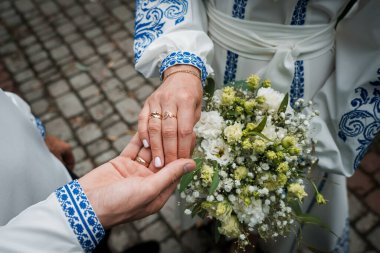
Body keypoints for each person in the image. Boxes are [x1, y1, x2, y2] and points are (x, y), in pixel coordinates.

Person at [134, 0, 380, 252]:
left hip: (312, 83)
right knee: (206, 164)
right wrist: (182, 64)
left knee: (300, 172)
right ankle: (220, 222)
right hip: (212, 62)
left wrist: (329, 127)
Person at [0, 89, 196, 252]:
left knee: (100, 237)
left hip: (60, 180)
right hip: (43, 228)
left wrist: (38, 134)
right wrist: (81, 214)